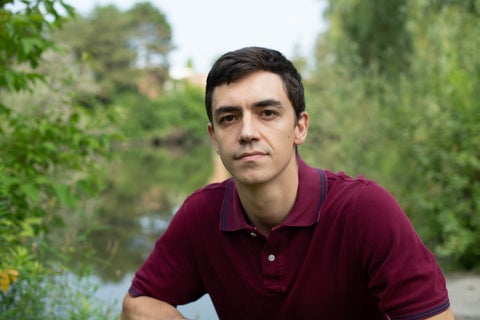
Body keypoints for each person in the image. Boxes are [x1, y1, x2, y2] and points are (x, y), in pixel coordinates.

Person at [121, 47, 455, 320]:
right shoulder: (201, 215)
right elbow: (139, 305)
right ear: (214, 137)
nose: (247, 132)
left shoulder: (363, 210)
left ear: (300, 127)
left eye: (267, 113)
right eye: (229, 118)